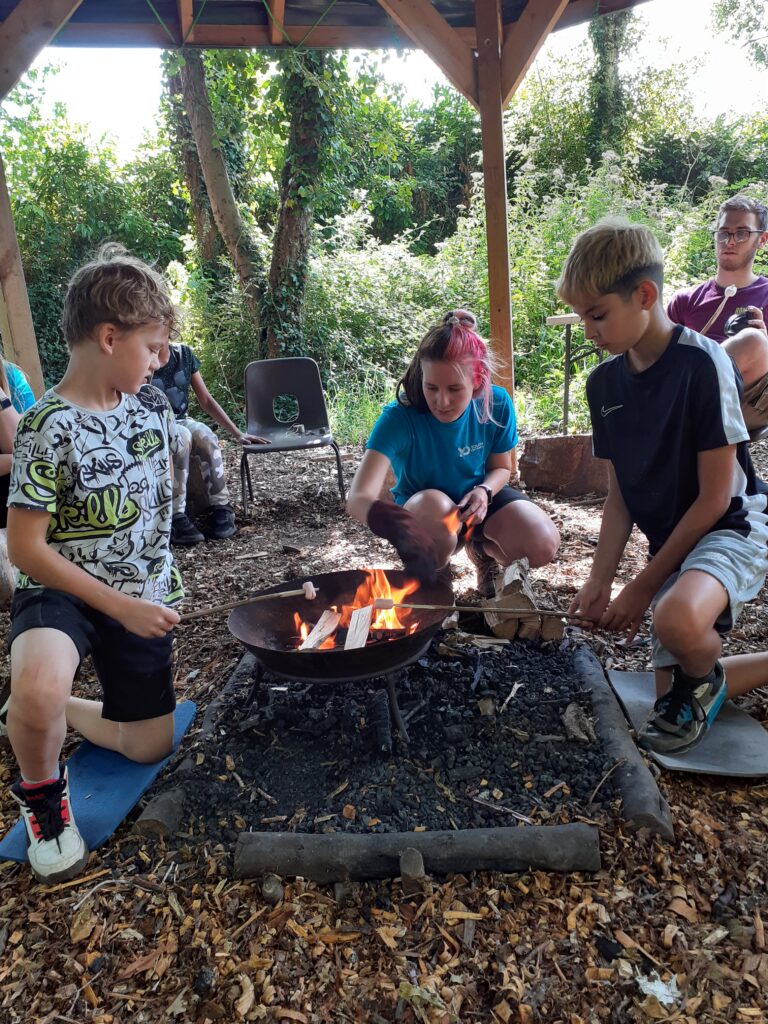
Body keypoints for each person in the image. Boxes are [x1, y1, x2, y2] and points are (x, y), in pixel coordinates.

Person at [2, 244, 184, 884]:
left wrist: (158, 586)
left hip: (137, 593)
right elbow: (26, 548)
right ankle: (45, 801)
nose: (162, 361)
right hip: (63, 593)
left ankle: (36, 715)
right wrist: (121, 607)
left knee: (148, 745)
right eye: (153, 346)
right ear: (110, 337)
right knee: (42, 682)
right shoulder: (45, 427)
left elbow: (157, 502)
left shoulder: (152, 407)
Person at [558, 218, 768, 756]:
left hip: (732, 525)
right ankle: (711, 677)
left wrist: (643, 587)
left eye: (598, 314)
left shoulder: (704, 363)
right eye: (584, 317)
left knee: (673, 619)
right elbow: (620, 494)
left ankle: (700, 670)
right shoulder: (603, 383)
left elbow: (716, 498)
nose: (589, 331)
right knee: (671, 689)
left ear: (645, 295)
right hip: (674, 537)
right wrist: (601, 580)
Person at [347, 310, 560, 595]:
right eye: (431, 387)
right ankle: (437, 571)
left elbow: (501, 468)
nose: (441, 401)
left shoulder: (496, 403)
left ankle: (482, 554)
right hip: (429, 516)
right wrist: (393, 524)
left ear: (477, 381)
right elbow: (358, 498)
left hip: (478, 505)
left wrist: (484, 491)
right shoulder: (400, 417)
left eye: (455, 389)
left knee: (541, 542)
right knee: (432, 508)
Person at [667, 195, 768, 431]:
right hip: (692, 401)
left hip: (750, 399)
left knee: (752, 340)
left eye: (742, 233)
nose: (730, 241)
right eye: (723, 233)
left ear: (761, 239)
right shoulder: (686, 300)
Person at [151, 340, 267, 545]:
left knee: (204, 434)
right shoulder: (144, 356)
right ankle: (176, 516)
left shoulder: (183, 354)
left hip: (180, 419)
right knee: (181, 437)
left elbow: (205, 400)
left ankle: (221, 507)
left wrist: (238, 433)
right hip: (153, 422)